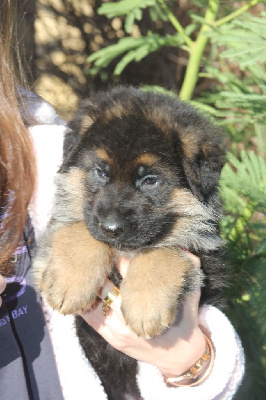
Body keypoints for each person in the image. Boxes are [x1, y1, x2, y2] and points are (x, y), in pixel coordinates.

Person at [0, 1, 245, 399]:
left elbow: (197, 317)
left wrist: (191, 362)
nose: (111, 217)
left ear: (197, 176)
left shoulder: (35, 150)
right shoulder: (63, 180)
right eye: (99, 174)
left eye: (150, 181)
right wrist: (78, 239)